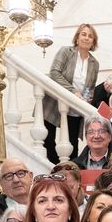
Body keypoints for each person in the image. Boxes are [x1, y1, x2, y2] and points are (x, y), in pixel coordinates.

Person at [43, 23, 99, 164]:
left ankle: (69, 173)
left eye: (90, 36)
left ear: (93, 41)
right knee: (48, 141)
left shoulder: (94, 63)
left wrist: (86, 98)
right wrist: (73, 91)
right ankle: (54, 167)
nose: (86, 38)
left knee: (72, 144)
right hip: (54, 102)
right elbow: (54, 73)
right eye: (83, 34)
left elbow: (90, 87)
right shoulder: (66, 52)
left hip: (75, 109)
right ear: (77, 37)